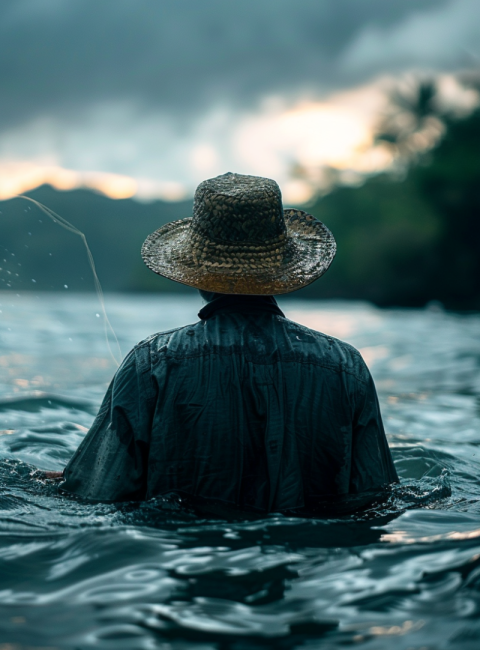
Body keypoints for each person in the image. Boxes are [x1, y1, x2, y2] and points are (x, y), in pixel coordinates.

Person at [60, 172, 398, 513]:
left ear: (194, 267)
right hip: (307, 560)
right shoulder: (346, 366)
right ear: (281, 266)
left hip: (183, 555)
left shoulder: (151, 362)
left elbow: (95, 494)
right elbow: (379, 499)